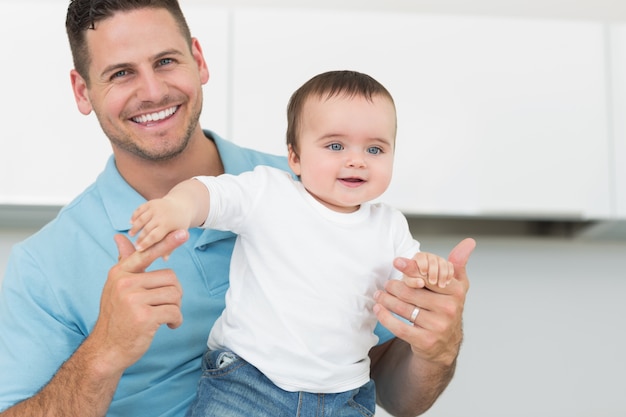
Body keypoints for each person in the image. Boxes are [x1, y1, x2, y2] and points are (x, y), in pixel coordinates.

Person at [0, 1, 475, 416]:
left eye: (165, 61)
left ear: (199, 60)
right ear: (83, 91)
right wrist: (103, 352)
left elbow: (396, 396)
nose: (151, 91)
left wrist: (436, 348)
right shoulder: (42, 269)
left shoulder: (326, 191)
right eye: (121, 73)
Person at [129, 70, 455, 416]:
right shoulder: (269, 193)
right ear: (295, 157)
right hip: (248, 383)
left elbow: (412, 282)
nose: (356, 160)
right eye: (335, 146)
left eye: (375, 149)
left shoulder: (389, 226)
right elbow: (211, 194)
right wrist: (178, 207)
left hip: (343, 396)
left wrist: (429, 274)